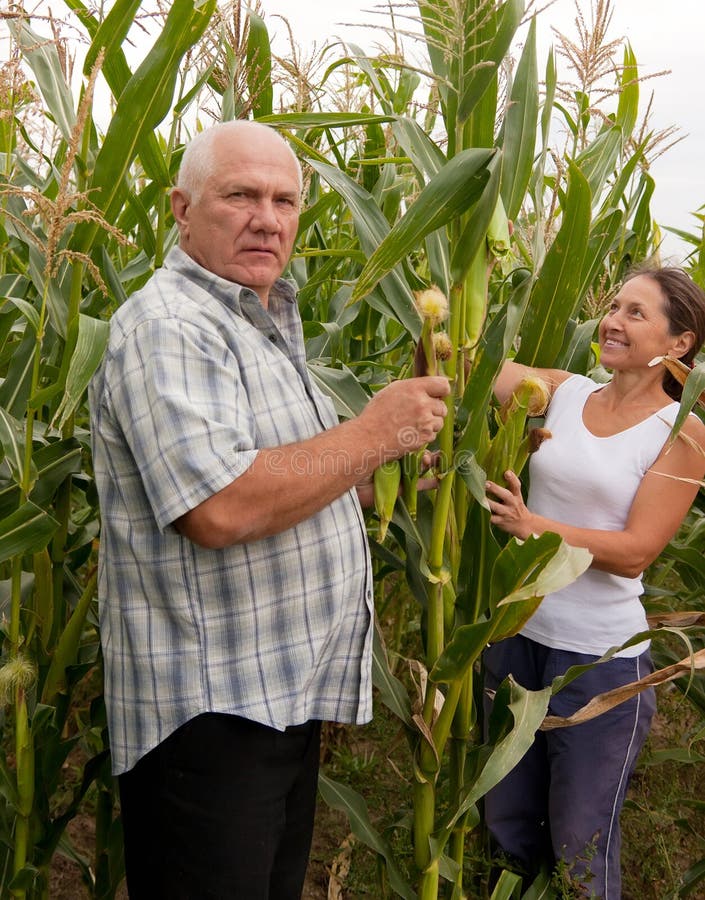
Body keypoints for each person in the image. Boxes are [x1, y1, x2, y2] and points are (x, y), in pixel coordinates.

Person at [88, 119, 450, 899]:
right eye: (240, 195)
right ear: (181, 209)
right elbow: (217, 507)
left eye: (285, 200)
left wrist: (390, 467)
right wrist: (368, 432)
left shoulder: (256, 318)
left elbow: (290, 476)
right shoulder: (171, 327)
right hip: (210, 717)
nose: (267, 217)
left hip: (275, 697)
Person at [482, 266, 705, 898]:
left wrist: (531, 526)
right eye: (613, 306)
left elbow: (636, 552)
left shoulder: (682, 433)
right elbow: (466, 376)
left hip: (601, 664)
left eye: (637, 313)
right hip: (516, 636)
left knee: (581, 846)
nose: (612, 321)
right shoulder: (564, 392)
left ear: (680, 344)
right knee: (507, 824)